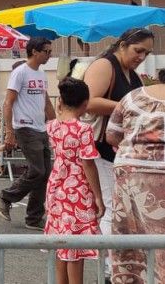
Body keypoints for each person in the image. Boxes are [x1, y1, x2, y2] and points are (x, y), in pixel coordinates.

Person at [81, 27, 152, 276]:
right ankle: (111, 270)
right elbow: (88, 101)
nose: (141, 56)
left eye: (146, 53)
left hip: (120, 151)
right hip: (101, 149)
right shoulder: (105, 65)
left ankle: (119, 265)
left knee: (122, 209)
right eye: (138, 50)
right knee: (111, 207)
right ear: (122, 45)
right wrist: (128, 106)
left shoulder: (132, 74)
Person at [107, 69, 165, 283]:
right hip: (159, 175)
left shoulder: (132, 97)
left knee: (128, 235)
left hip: (128, 171)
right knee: (161, 238)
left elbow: (112, 135)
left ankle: (127, 278)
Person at [45, 77, 103, 284]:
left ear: (60, 100)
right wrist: (98, 196)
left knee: (62, 242)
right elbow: (88, 164)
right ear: (85, 104)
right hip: (77, 188)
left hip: (56, 186)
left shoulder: (52, 126)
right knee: (76, 247)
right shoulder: (83, 130)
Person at [0, 36, 56, 230]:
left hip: (40, 128)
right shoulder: (20, 73)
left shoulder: (42, 74)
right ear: (35, 51)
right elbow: (8, 102)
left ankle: (34, 217)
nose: (49, 55)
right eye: (46, 51)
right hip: (24, 127)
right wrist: (9, 131)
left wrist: (55, 124)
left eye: (50, 51)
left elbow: (46, 102)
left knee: (45, 173)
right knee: (37, 170)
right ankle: (6, 196)